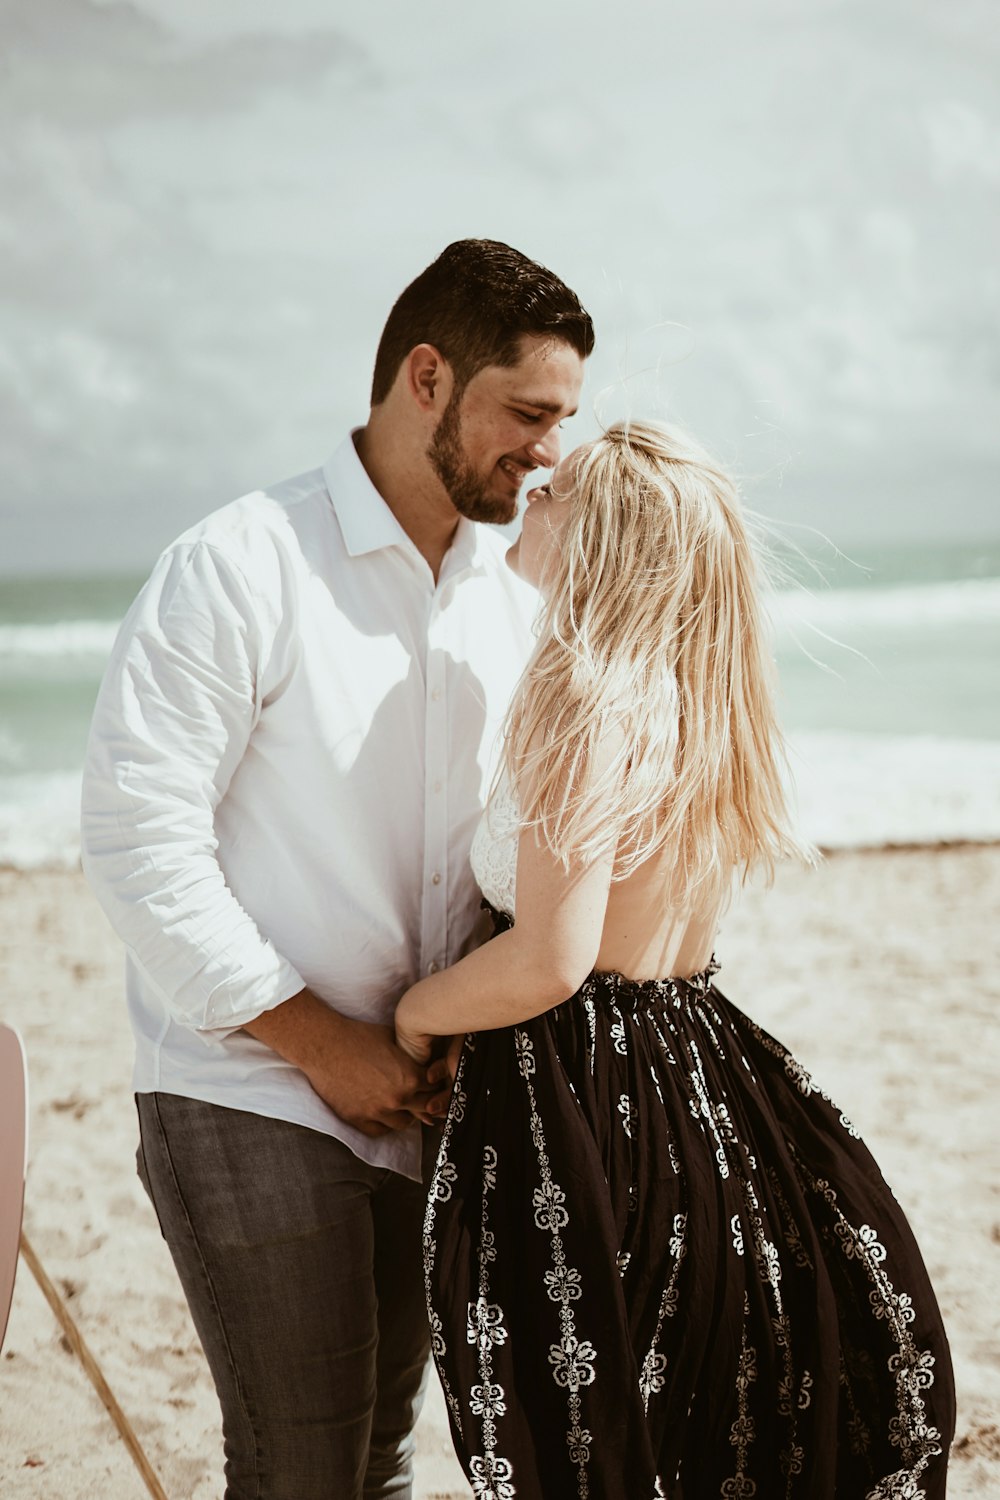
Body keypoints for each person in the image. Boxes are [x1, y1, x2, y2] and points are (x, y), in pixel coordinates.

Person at [80, 238, 593, 1500]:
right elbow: (136, 836)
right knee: (301, 1467)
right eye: (527, 413)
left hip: (428, 1100)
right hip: (250, 1084)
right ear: (426, 377)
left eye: (566, 420)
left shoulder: (518, 595)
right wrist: (317, 1038)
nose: (551, 452)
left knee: (380, 1458)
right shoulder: (239, 563)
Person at [394, 421, 955, 1499]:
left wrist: (418, 1013)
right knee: (697, 1424)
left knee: (584, 1432)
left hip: (582, 1089)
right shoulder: (698, 706)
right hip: (696, 1073)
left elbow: (555, 962)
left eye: (556, 491)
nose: (531, 493)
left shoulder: (579, 698)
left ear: (601, 537)